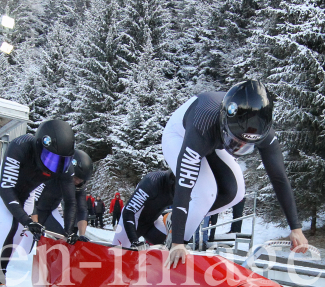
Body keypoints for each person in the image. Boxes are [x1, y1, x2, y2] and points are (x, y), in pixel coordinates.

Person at [162, 80, 307, 267]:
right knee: (205, 193)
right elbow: (185, 184)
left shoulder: (263, 130)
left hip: (218, 137)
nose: (239, 148)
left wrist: (295, 227)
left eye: (246, 145)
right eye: (237, 141)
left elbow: (279, 177)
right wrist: (178, 243)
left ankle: (174, 220)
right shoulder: (203, 124)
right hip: (181, 135)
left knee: (236, 192)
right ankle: (174, 241)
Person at [0, 119, 78, 285]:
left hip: (25, 196)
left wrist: (70, 230)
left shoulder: (64, 167)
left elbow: (70, 201)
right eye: (51, 159)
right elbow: (7, 189)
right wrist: (26, 220)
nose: (54, 167)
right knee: (10, 223)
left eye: (61, 161)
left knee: (22, 243)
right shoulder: (20, 146)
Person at [34, 149, 94, 238]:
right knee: (30, 240)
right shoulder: (51, 175)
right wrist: (35, 223)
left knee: (63, 238)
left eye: (81, 180)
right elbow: (33, 201)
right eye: (76, 178)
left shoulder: (79, 185)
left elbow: (82, 209)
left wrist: (81, 234)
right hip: (32, 208)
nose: (77, 182)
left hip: (51, 210)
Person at [113, 170, 175, 249]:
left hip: (153, 221)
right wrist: (134, 240)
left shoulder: (187, 188)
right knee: (116, 256)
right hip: (133, 219)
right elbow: (128, 211)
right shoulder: (152, 181)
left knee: (173, 245)